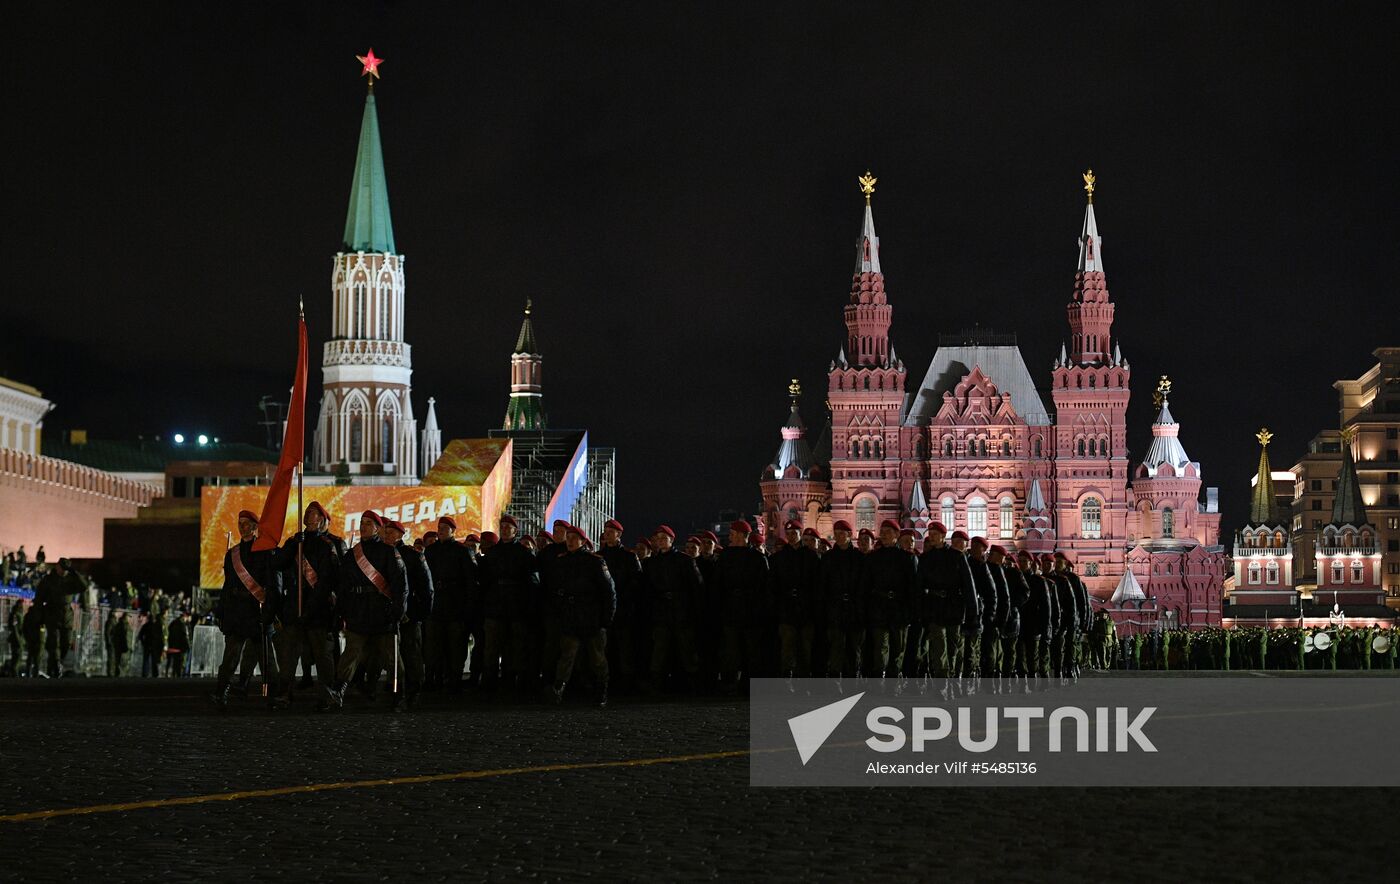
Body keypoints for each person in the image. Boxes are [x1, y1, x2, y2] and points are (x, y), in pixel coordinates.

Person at [322, 510, 407, 713]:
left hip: (382, 612)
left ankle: (400, 695)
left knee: (392, 657)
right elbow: (344, 586)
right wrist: (340, 613)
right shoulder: (353, 554)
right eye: (362, 523)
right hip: (359, 612)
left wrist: (397, 611)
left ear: (378, 528)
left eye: (368, 523)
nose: (363, 526)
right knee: (350, 654)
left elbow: (400, 585)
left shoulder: (388, 552)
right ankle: (339, 692)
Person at [273, 502, 346, 705]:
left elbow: (328, 580)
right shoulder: (295, 543)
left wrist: (312, 608)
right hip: (294, 607)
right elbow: (277, 564)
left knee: (323, 656)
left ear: (321, 519)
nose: (307, 516)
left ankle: (327, 694)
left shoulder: (328, 545)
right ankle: (284, 692)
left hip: (318, 608)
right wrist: (291, 546)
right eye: (306, 512)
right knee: (288, 656)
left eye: (312, 513)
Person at [209, 510, 282, 709]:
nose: (242, 527)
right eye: (240, 523)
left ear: (255, 526)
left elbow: (274, 586)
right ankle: (220, 692)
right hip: (236, 612)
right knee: (229, 658)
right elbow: (226, 586)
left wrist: (269, 613)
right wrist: (222, 613)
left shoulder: (266, 552)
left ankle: (274, 697)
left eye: (247, 523)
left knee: (267, 660)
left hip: (257, 611)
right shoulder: (231, 554)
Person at [548, 524, 616, 706]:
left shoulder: (595, 561)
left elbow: (609, 592)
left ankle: (601, 691)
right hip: (570, 617)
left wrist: (606, 618)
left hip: (591, 617)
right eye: (568, 537)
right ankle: (558, 690)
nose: (569, 541)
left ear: (583, 541)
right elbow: (554, 590)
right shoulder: (561, 561)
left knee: (597, 658)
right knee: (567, 656)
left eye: (573, 538)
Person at [480, 514, 540, 693]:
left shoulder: (523, 553)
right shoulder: (493, 553)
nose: (505, 529)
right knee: (491, 647)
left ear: (515, 530)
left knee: (513, 648)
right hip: (495, 606)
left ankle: (510, 683)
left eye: (508, 527)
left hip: (516, 606)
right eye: (503, 526)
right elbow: (484, 581)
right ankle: (489, 684)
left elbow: (532, 582)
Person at [916, 522, 978, 688]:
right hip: (934, 608)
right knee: (939, 647)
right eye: (930, 533)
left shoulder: (957, 556)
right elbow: (919, 587)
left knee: (952, 648)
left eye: (935, 534)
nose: (932, 536)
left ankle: (951, 681)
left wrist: (972, 613)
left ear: (944, 536)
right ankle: (942, 687)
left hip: (954, 609)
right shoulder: (925, 559)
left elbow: (968, 585)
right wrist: (920, 610)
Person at [714, 519, 770, 692]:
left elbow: (764, 588)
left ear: (741, 535)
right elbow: (717, 585)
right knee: (731, 649)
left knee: (750, 649)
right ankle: (730, 682)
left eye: (732, 533)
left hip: (750, 611)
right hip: (731, 610)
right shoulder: (725, 557)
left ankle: (748, 683)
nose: (729, 536)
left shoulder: (758, 559)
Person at [644, 525, 702, 692]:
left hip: (681, 611)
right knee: (660, 649)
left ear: (671, 540)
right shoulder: (652, 563)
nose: (661, 541)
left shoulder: (685, 561)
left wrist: (692, 611)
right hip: (661, 612)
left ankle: (691, 683)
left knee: (686, 648)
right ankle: (657, 683)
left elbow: (696, 588)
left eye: (664, 538)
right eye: (658, 538)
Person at [382, 519, 433, 710]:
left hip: (410, 615)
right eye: (385, 532)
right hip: (389, 615)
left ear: (400, 535)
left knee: (411, 655)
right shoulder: (380, 555)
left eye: (390, 532)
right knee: (394, 659)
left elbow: (426, 589)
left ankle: (414, 691)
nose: (386, 535)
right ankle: (398, 693)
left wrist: (419, 614)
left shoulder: (413, 555)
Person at [423, 515, 475, 693]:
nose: (441, 530)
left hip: (455, 604)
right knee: (433, 646)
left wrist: (467, 607)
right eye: (440, 527)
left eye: (445, 527)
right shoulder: (430, 551)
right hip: (435, 605)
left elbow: (470, 581)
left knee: (455, 646)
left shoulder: (462, 551)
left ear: (453, 531)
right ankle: (432, 678)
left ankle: (454, 679)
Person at [861, 520, 917, 682]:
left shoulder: (907, 559)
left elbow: (913, 589)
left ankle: (894, 680)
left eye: (888, 531)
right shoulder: (873, 559)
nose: (883, 534)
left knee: (898, 648)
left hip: (900, 609)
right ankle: (879, 678)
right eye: (882, 531)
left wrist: (911, 612)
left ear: (896, 535)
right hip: (879, 608)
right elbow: (866, 586)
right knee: (880, 646)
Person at [597, 519, 643, 693]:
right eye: (606, 531)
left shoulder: (629, 557)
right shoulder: (599, 557)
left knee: (624, 648)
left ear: (619, 534)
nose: (607, 534)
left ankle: (626, 683)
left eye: (611, 531)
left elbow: (636, 584)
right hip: (605, 610)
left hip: (623, 610)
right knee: (605, 648)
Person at [772, 520, 820, 681]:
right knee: (787, 646)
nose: (792, 537)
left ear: (801, 534)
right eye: (789, 533)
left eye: (795, 533)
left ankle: (804, 677)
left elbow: (816, 584)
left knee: (805, 646)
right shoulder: (779, 558)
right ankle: (787, 677)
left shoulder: (811, 557)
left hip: (806, 609)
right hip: (787, 609)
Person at [821, 520, 864, 684]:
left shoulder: (859, 558)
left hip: (854, 609)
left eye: (842, 533)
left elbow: (864, 585)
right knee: (836, 646)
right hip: (835, 609)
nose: (838, 537)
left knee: (853, 648)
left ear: (850, 535)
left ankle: (851, 680)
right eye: (836, 533)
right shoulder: (828, 558)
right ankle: (834, 680)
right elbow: (823, 585)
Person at [34, 558, 87, 677]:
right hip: (52, 614)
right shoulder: (48, 580)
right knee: (54, 643)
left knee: (66, 643)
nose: (64, 571)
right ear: (57, 567)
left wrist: (73, 572)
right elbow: (39, 598)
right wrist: (39, 616)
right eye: (62, 568)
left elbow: (84, 586)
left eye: (66, 569)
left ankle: (57, 663)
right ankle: (56, 665)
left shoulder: (70, 580)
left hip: (67, 615)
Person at [138, 612, 164, 677]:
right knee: (154, 660)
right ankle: (155, 674)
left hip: (147, 645)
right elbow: (161, 637)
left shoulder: (146, 626)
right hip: (154, 646)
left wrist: (143, 643)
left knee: (146, 661)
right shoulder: (158, 626)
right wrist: (161, 646)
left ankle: (145, 674)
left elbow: (140, 635)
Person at [167, 611, 191, 677]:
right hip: (180, 647)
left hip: (172, 646)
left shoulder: (173, 623)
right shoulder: (182, 625)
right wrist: (187, 646)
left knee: (173, 661)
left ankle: (172, 674)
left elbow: (169, 629)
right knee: (179, 662)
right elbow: (184, 636)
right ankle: (178, 675)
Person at [110, 611, 130, 677]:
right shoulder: (123, 625)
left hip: (118, 644)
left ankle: (118, 672)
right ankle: (120, 673)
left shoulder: (119, 624)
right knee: (122, 660)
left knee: (118, 659)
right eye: (128, 617)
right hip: (122, 644)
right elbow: (124, 636)